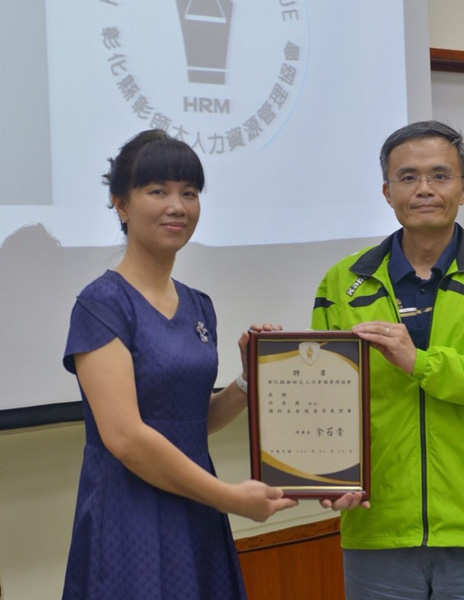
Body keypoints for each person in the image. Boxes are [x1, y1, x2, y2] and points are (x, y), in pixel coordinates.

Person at [312, 120, 464, 600]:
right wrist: (326, 475)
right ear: (387, 192)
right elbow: (325, 399)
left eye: (440, 176)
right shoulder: (343, 282)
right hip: (376, 523)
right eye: (408, 177)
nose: (424, 189)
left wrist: (421, 363)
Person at [61, 129, 297, 600]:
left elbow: (189, 420)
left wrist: (247, 380)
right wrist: (231, 497)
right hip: (130, 514)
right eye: (158, 191)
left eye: (189, 193)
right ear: (121, 205)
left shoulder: (198, 305)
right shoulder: (102, 304)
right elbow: (126, 437)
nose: (178, 206)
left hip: (197, 508)